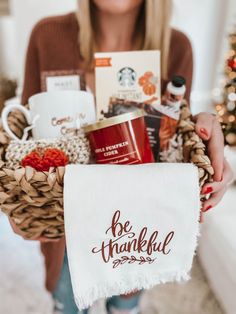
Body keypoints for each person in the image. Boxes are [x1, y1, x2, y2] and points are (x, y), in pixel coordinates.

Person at [10, 0, 233, 313]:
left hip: (135, 232)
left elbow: (175, 137)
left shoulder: (176, 47)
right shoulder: (47, 36)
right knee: (68, 306)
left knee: (126, 305)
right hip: (66, 234)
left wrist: (205, 144)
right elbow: (27, 136)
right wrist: (21, 201)